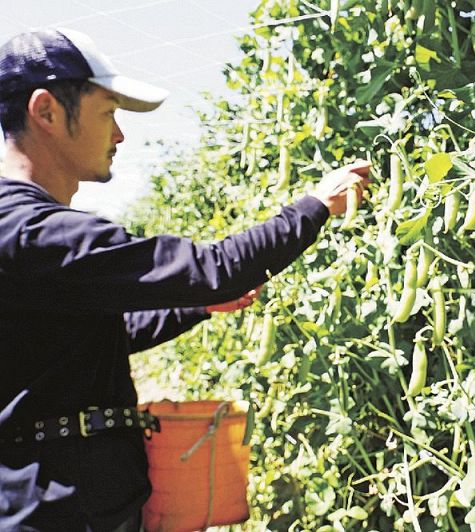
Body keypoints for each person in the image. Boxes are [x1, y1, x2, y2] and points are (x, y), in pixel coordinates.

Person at [0, 28, 370, 531]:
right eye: (108, 113)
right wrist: (316, 206)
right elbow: (214, 269)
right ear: (45, 111)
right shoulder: (32, 232)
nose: (119, 135)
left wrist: (196, 306)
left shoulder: (27, 234)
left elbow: (94, 339)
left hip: (68, 502)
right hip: (52, 513)